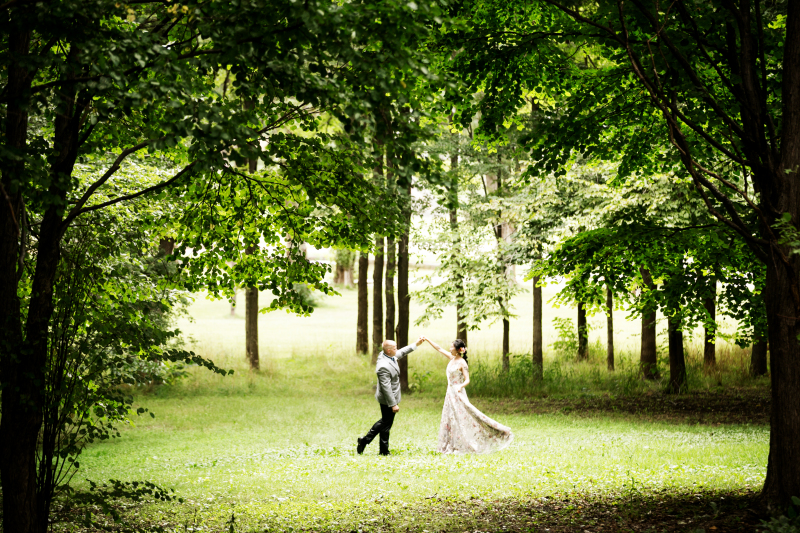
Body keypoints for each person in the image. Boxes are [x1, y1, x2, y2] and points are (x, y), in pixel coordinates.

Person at [423, 338, 513, 454]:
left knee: (464, 416)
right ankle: (451, 444)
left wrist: (460, 386)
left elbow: (467, 380)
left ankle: (495, 432)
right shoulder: (452, 358)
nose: (449, 349)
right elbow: (439, 348)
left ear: (458, 350)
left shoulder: (462, 363)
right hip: (450, 393)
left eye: (452, 347)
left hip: (458, 393)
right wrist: (427, 340)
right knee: (450, 417)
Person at [357, 337, 425, 456]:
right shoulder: (383, 366)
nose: (397, 349)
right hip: (387, 398)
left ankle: (379, 448)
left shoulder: (387, 355)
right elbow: (386, 388)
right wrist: (393, 404)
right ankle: (370, 444)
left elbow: (402, 352)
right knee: (386, 423)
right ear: (389, 350)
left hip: (391, 396)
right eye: (395, 348)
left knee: (386, 423)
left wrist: (416, 344)